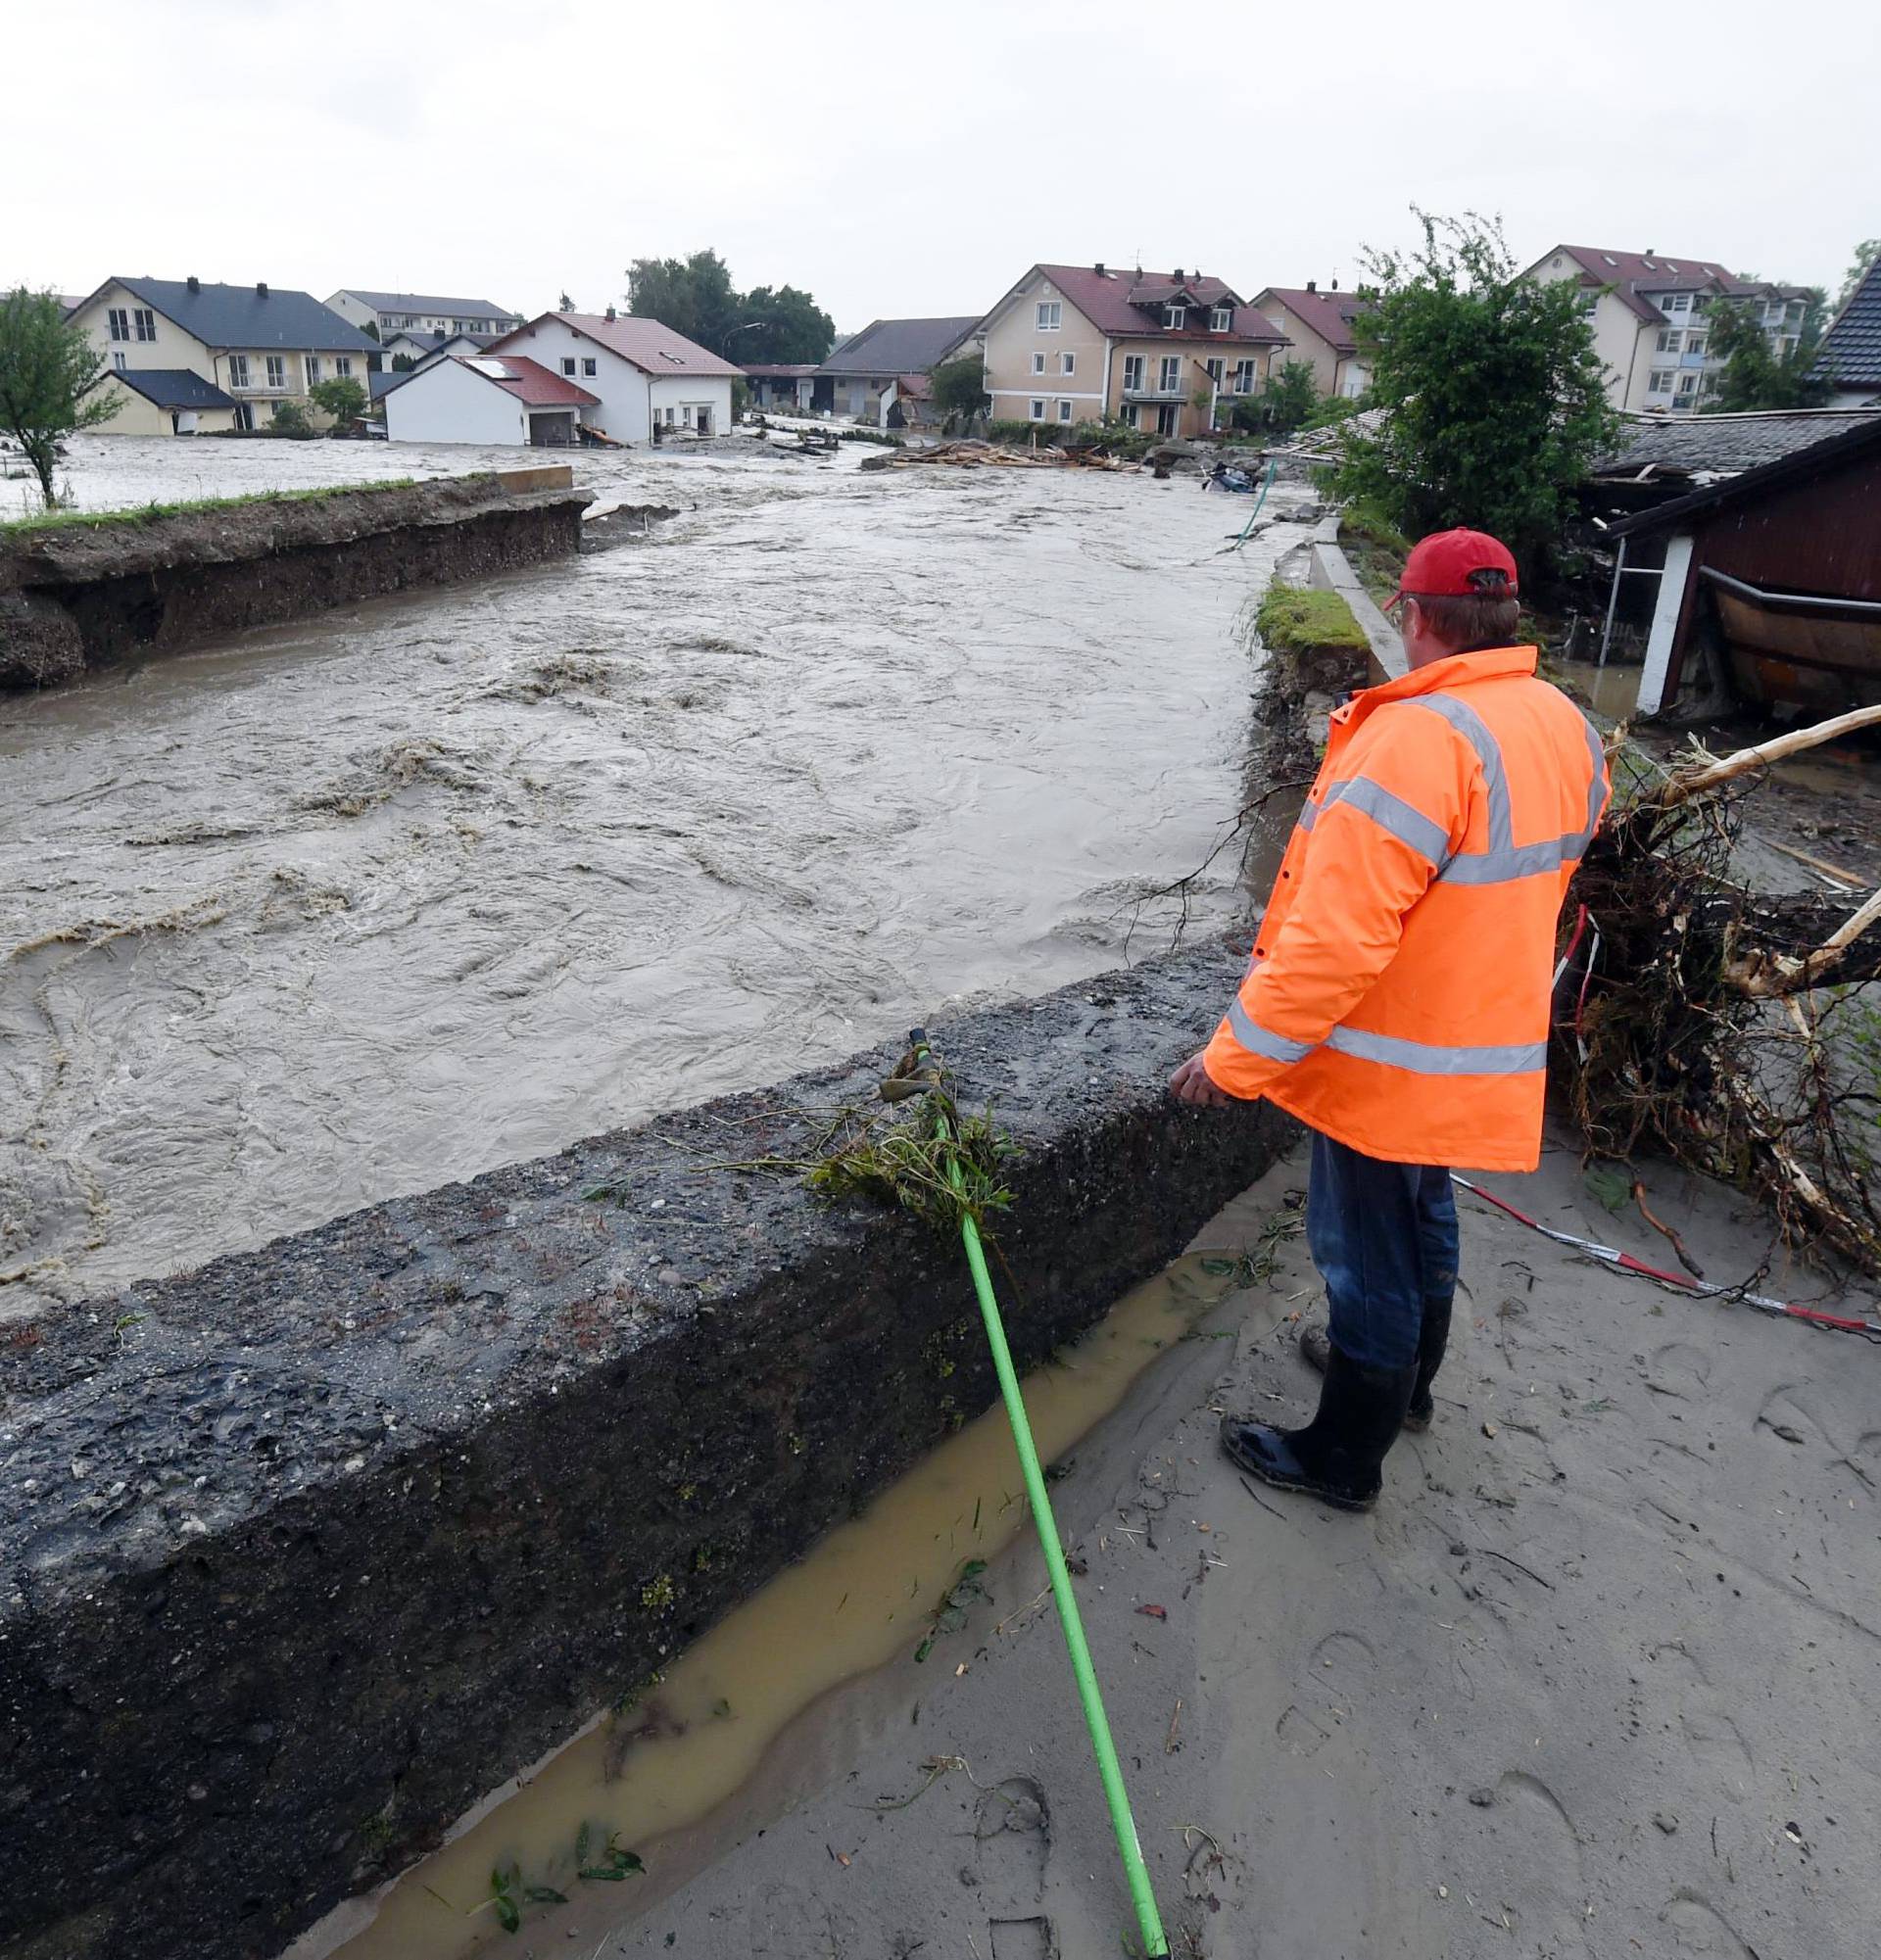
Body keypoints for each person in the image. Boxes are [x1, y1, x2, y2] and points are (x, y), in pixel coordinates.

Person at [1171, 529, 1609, 1511]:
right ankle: (1408, 1393)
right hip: (1480, 1045)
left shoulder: (1418, 740)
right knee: (1424, 1221)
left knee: (1365, 1251)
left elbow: (1334, 944)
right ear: (1505, 615)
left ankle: (1343, 1459)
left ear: (1413, 615)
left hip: (1388, 1056)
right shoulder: (1561, 722)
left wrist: (1233, 1060)